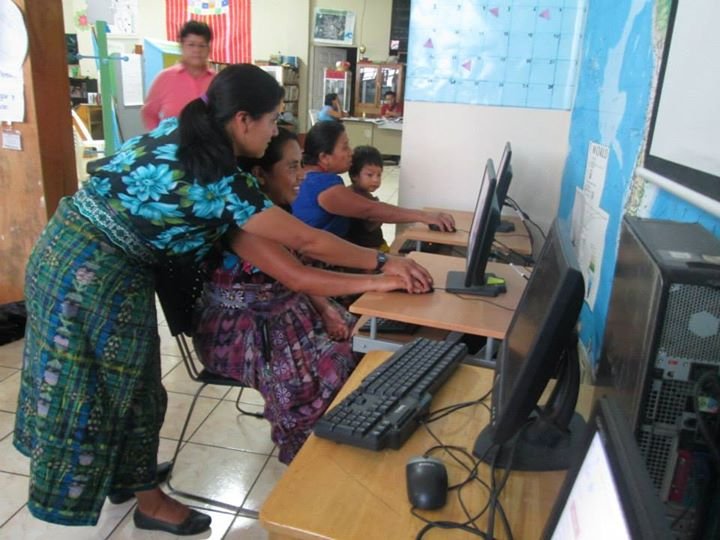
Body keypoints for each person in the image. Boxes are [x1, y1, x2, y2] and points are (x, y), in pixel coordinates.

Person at [14, 64, 431, 535]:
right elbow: (305, 244)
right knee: (114, 389)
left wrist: (375, 273)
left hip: (72, 251)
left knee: (132, 384)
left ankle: (128, 478)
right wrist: (381, 266)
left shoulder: (187, 132)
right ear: (243, 120)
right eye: (272, 119)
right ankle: (147, 500)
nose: (275, 129)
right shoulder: (222, 179)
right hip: (92, 272)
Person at [193, 128, 359, 464]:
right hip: (241, 331)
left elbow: (294, 274)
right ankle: (311, 458)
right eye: (292, 167)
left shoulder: (274, 211)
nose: (302, 176)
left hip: (279, 313)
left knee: (357, 339)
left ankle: (348, 435)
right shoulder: (243, 223)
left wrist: (325, 308)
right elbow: (297, 276)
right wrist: (383, 276)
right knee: (332, 364)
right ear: (259, 174)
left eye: (301, 165)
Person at [291, 121, 455, 241]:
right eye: (345, 147)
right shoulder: (321, 185)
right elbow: (370, 210)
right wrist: (424, 216)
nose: (351, 153)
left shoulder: (308, 177)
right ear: (324, 157)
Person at [141, 20, 215, 130]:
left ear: (209, 49)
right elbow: (148, 113)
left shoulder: (217, 81)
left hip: (209, 141)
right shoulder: (164, 78)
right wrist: (159, 136)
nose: (196, 50)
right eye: (191, 45)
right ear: (181, 46)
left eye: (202, 45)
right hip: (174, 140)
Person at [346, 145, 390, 251]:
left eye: (379, 175)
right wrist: (380, 213)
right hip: (363, 251)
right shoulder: (351, 196)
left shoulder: (366, 195)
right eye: (370, 175)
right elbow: (370, 225)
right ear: (354, 175)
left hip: (376, 246)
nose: (376, 180)